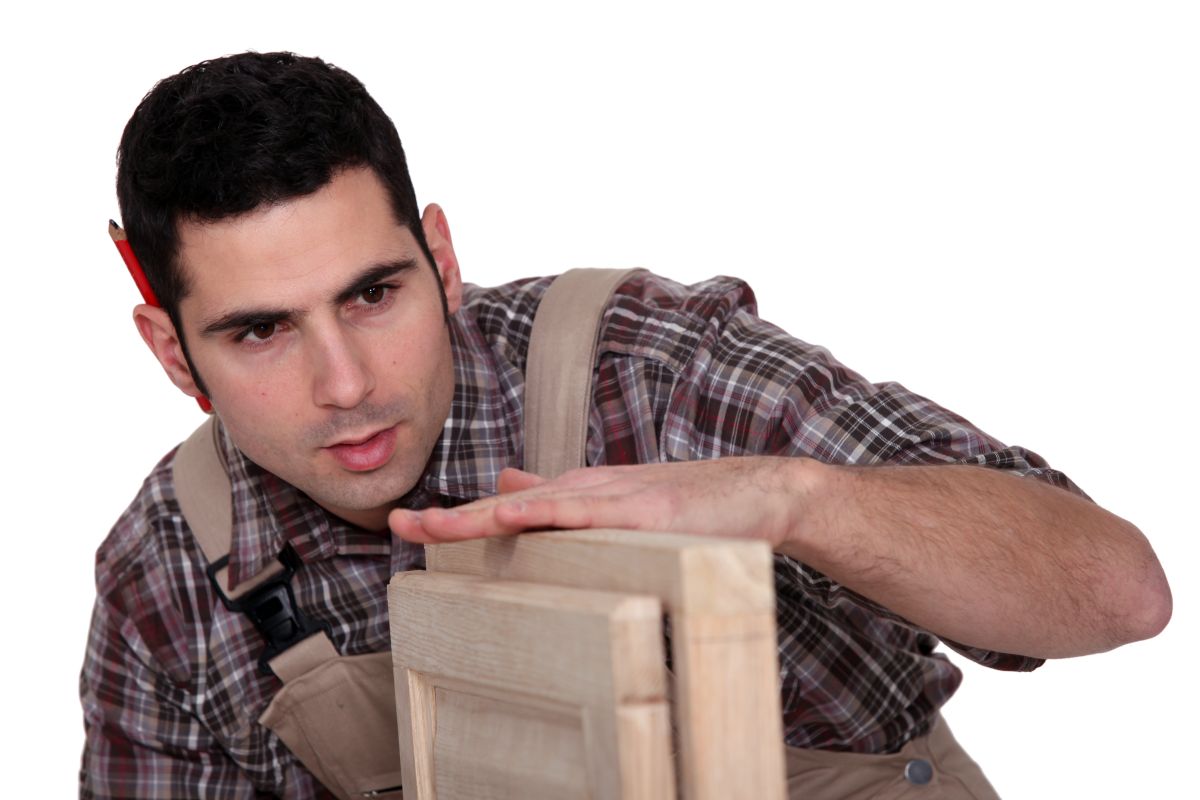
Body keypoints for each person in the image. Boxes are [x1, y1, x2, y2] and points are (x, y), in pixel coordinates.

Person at [80, 51, 1170, 799]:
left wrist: (793, 498)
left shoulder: (645, 369)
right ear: (174, 353)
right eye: (262, 330)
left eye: (375, 293)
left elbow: (1117, 589)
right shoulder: (170, 571)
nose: (346, 380)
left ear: (443, 261)